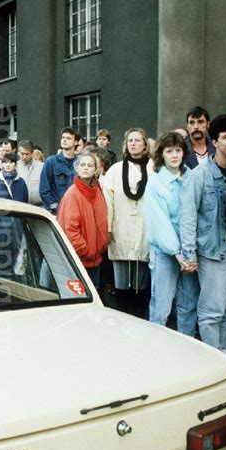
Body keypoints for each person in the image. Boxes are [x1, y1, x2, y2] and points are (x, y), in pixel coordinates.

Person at [180, 114, 226, 369]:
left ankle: (224, 353)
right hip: (215, 249)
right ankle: (214, 361)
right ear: (214, 141)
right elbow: (187, 215)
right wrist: (189, 253)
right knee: (212, 309)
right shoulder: (200, 175)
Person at [143, 132, 199, 335]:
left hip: (189, 250)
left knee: (188, 303)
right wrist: (177, 252)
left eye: (178, 150)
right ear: (162, 154)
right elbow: (160, 222)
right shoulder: (156, 182)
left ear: (184, 153)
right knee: (162, 305)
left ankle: (187, 347)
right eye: (169, 151)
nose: (174, 155)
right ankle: (156, 348)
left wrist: (190, 252)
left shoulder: (193, 176)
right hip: (166, 252)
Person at [103, 127, 153, 317]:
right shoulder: (115, 170)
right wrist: (107, 229)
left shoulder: (153, 168)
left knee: (142, 285)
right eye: (130, 140)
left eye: (138, 140)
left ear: (145, 144)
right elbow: (108, 201)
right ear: (125, 145)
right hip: (121, 229)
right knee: (122, 283)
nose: (134, 144)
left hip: (145, 229)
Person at [57, 151, 108, 289]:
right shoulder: (72, 194)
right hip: (80, 259)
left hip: (96, 258)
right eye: (82, 164)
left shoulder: (98, 190)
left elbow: (103, 220)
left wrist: (101, 246)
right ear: (77, 168)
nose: (86, 168)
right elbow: (70, 229)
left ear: (96, 169)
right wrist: (85, 250)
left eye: (90, 165)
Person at [39, 128, 78, 214]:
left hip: (76, 210)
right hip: (57, 212)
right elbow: (44, 189)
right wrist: (55, 206)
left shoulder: (80, 162)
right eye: (63, 138)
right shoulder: (51, 162)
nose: (64, 140)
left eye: (68, 138)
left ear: (76, 142)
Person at [17, 140, 43, 205]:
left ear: (32, 153)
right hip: (20, 206)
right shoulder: (15, 167)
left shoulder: (41, 167)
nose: (24, 157)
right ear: (18, 153)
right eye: (22, 154)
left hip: (39, 205)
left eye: (27, 154)